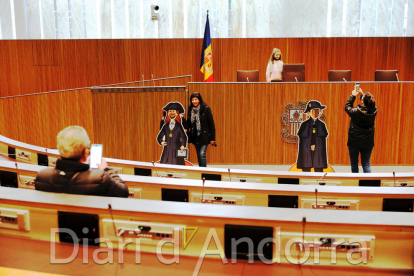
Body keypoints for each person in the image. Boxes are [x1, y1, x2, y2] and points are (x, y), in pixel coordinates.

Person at [35, 126, 129, 197]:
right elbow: (124, 192)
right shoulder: (100, 178)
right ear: (86, 153)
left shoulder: (42, 176)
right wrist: (106, 169)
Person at [345, 88, 377, 173]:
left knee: (354, 163)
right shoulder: (374, 111)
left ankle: (356, 184)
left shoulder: (356, 112)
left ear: (363, 101)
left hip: (354, 141)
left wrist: (352, 96)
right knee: (366, 164)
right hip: (368, 141)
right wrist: (363, 96)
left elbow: (347, 107)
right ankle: (369, 184)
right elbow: (368, 104)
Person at [296, 101, 329, 172]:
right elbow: (303, 142)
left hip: (318, 152)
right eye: (313, 111)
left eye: (318, 111)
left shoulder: (322, 125)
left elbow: (322, 141)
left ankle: (320, 183)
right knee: (306, 168)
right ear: (308, 113)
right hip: (307, 152)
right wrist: (310, 146)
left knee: (319, 169)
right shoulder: (304, 125)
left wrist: (316, 146)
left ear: (320, 112)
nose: (316, 113)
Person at [187, 92, 215, 167]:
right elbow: (189, 122)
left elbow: (211, 124)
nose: (194, 101)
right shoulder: (190, 108)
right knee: (199, 155)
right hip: (195, 135)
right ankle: (200, 170)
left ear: (199, 100)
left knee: (202, 154)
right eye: (192, 100)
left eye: (196, 99)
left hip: (204, 135)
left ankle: (204, 171)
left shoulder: (206, 108)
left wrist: (212, 138)